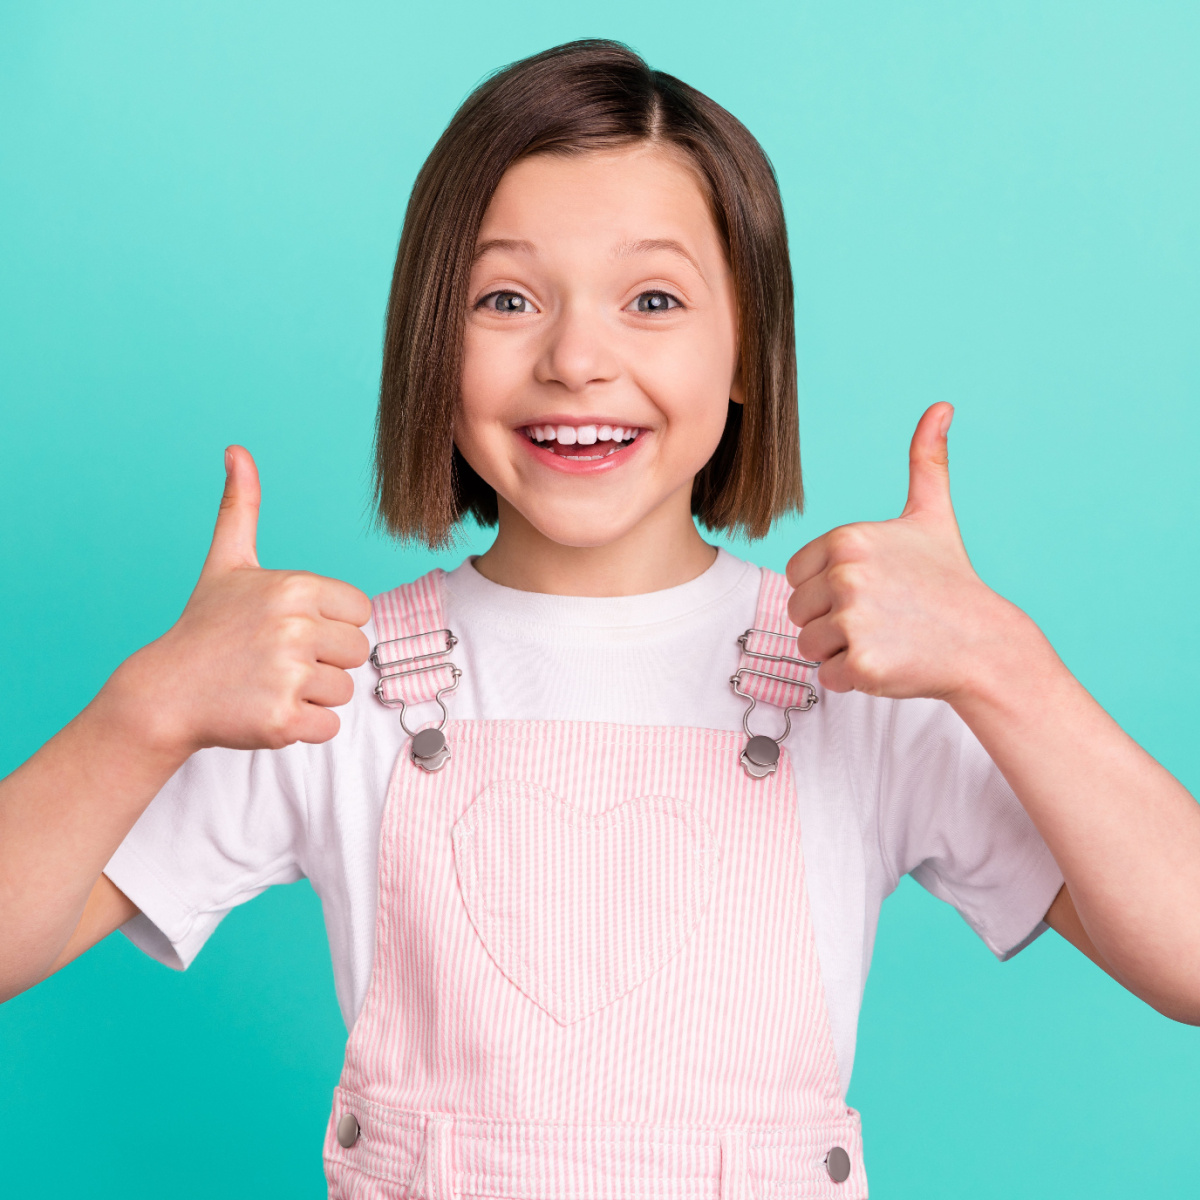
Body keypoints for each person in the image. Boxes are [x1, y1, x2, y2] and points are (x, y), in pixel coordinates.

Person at [1, 39, 1197, 1199]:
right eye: (509, 297)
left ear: (747, 352)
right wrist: (146, 708)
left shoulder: (861, 675)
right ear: (431, 342)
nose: (578, 357)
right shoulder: (332, 686)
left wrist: (1007, 669)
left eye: (654, 298)